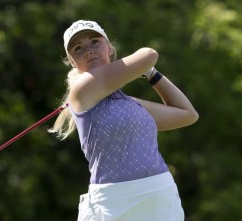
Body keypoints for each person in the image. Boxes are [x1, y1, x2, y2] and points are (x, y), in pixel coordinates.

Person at [48, 20, 199, 221]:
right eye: (78, 48)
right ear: (73, 62)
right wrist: (143, 67)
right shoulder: (82, 90)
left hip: (160, 196)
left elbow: (187, 114)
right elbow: (149, 54)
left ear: (110, 49)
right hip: (114, 205)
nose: (88, 51)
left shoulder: (131, 104)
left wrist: (151, 74)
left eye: (95, 42)